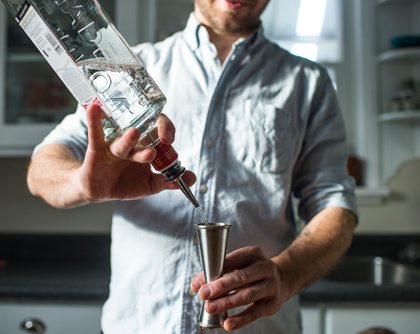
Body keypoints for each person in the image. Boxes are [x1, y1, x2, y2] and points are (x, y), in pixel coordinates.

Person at [27, 0, 358, 333]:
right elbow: (42, 168)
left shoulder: (308, 82)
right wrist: (82, 183)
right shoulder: (128, 73)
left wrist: (285, 276)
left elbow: (336, 206)